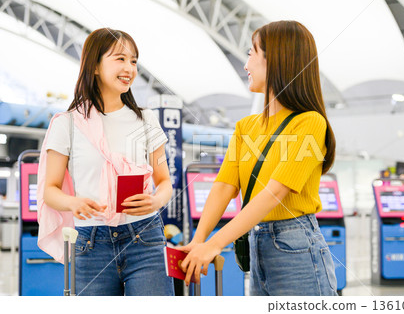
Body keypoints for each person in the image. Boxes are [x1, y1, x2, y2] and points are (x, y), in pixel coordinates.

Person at [180, 21, 338, 296]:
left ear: (276, 60)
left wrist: (215, 243)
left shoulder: (310, 123)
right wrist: (198, 240)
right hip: (257, 245)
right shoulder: (246, 127)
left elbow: (274, 193)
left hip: (297, 247)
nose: (246, 65)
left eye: (252, 53)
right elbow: (223, 187)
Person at [39, 28, 174, 296]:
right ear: (96, 65)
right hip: (90, 243)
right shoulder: (66, 124)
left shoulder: (147, 121)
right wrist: (73, 202)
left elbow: (165, 181)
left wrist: (157, 201)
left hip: (145, 236)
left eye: (134, 61)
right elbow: (50, 191)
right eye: (120, 59)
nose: (130, 68)